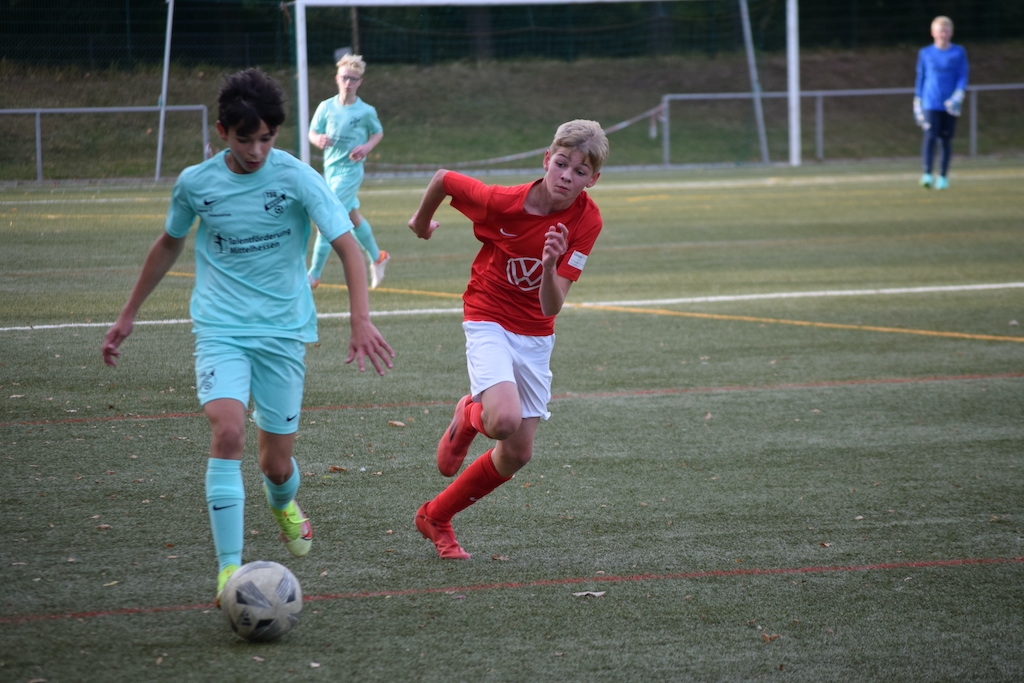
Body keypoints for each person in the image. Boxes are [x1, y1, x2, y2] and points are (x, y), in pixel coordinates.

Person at [101, 67, 395, 603]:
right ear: (222, 132)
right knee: (229, 432)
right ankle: (228, 572)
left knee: (275, 464)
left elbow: (349, 247)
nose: (257, 150)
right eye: (245, 139)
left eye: (266, 138)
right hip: (222, 328)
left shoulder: (298, 177)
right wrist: (128, 314)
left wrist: (360, 318)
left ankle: (282, 501)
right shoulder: (196, 183)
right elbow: (168, 244)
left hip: (283, 332)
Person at [407, 119, 609, 559]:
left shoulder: (587, 220)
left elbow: (552, 307)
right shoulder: (501, 202)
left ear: (592, 180)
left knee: (517, 453)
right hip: (489, 315)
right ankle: (470, 415)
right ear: (546, 159)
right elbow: (443, 179)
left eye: (579, 172)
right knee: (501, 421)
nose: (566, 176)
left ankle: (435, 516)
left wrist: (550, 266)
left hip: (535, 332)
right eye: (561, 164)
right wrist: (421, 222)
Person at [307, 53, 390, 289]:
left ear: (359, 82)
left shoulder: (365, 111)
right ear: (337, 78)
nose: (348, 83)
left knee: (327, 217)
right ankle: (378, 257)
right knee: (352, 217)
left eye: (353, 79)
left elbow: (378, 133)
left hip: (350, 172)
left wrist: (366, 147)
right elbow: (312, 132)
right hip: (331, 171)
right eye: (344, 78)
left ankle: (313, 275)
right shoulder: (326, 107)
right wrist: (318, 139)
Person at [914, 15, 969, 190]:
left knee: (946, 139)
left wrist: (958, 94)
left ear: (951, 32)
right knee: (930, 136)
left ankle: (943, 176)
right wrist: (917, 100)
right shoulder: (925, 53)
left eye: (946, 31)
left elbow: (962, 75)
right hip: (930, 102)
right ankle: (927, 174)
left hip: (950, 103)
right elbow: (921, 77)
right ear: (933, 32)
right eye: (940, 31)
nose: (943, 34)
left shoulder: (958, 52)